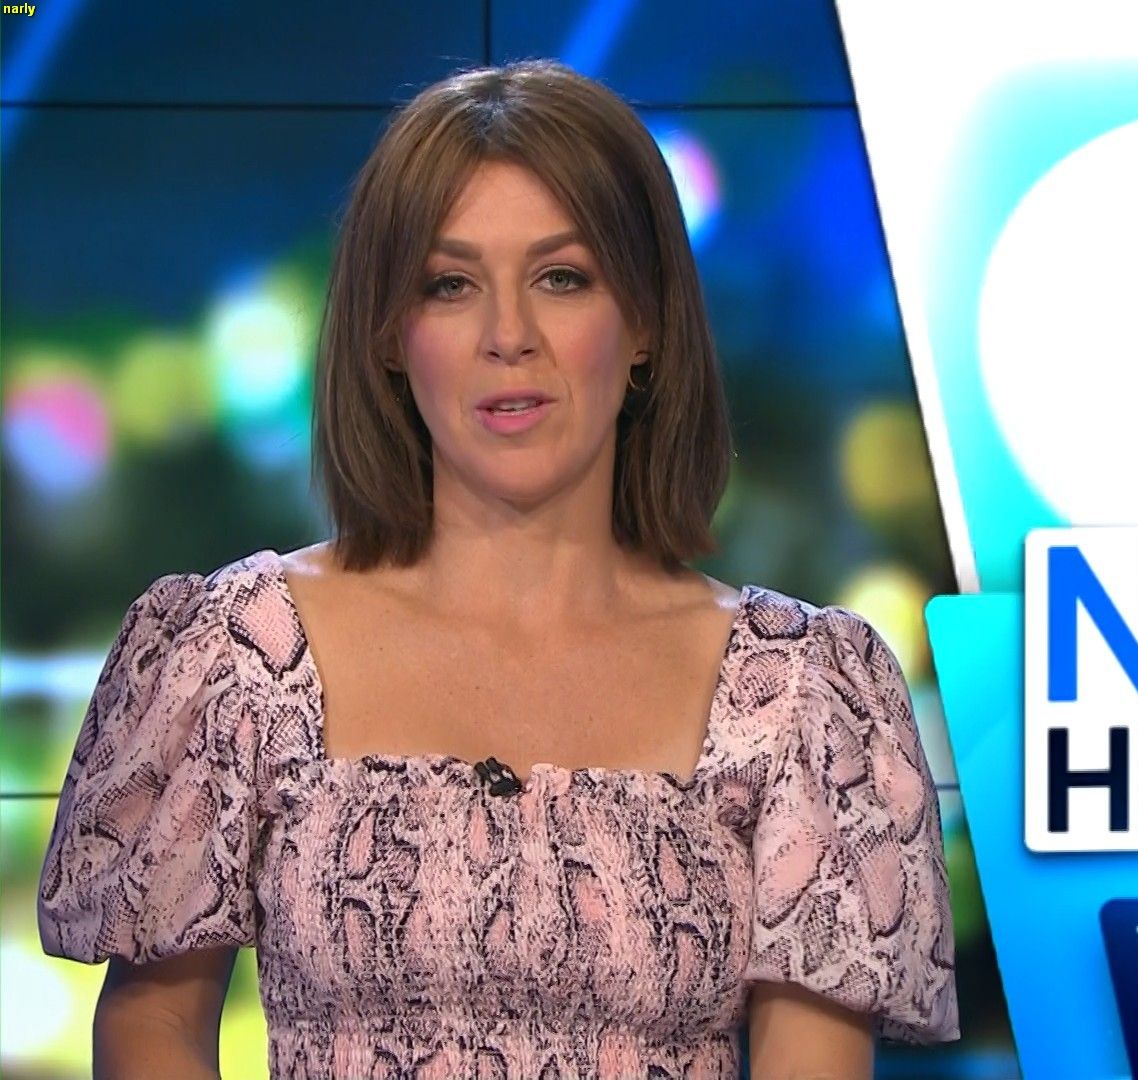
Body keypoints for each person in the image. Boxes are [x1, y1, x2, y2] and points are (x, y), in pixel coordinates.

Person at [36, 58, 958, 1079]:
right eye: (451, 285)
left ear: (646, 324)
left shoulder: (800, 696)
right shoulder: (239, 655)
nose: (508, 337)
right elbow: (153, 1031)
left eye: (563, 278)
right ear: (392, 334)